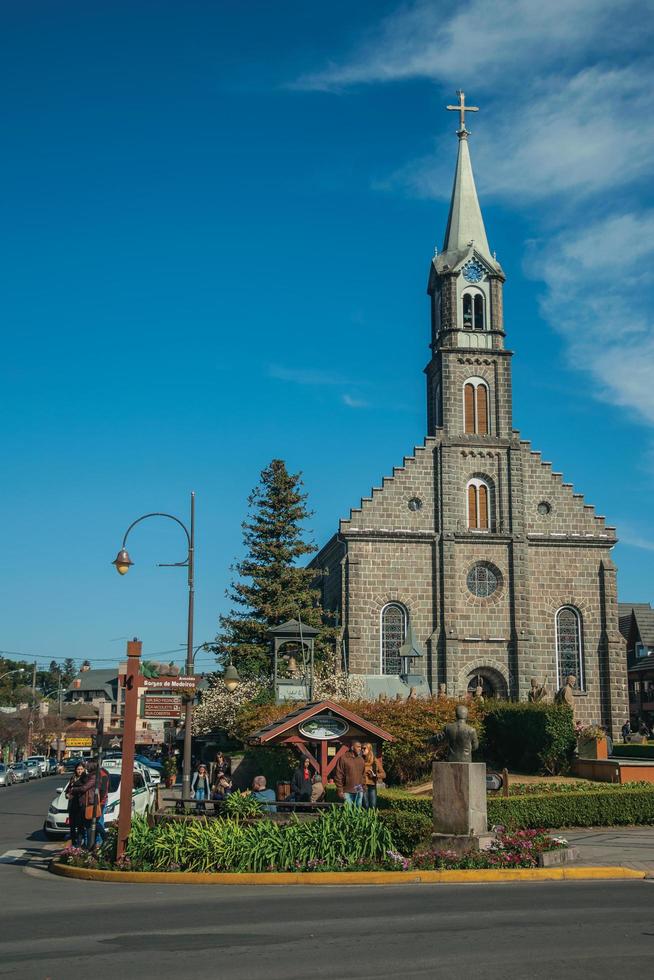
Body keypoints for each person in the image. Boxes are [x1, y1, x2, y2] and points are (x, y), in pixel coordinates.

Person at [65, 762, 93, 847]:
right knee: (72, 826)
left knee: (81, 826)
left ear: (84, 769)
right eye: (78, 769)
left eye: (81, 769)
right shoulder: (73, 778)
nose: (79, 771)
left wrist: (73, 789)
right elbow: (68, 789)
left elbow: (83, 789)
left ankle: (79, 844)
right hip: (72, 804)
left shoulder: (85, 778)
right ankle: (73, 844)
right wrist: (67, 794)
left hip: (81, 804)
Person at [334, 740, 366, 807]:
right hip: (347, 790)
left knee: (358, 812)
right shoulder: (343, 758)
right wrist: (340, 790)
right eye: (358, 747)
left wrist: (363, 788)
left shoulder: (361, 760)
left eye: (360, 747)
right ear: (352, 748)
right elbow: (338, 775)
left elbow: (363, 775)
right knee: (348, 811)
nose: (360, 749)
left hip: (359, 789)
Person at [361, 742, 385, 810]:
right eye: (361, 748)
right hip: (362, 785)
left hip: (372, 786)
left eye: (364, 748)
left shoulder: (375, 761)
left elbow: (384, 774)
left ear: (369, 749)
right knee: (365, 805)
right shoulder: (360, 760)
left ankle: (372, 819)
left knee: (373, 806)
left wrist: (375, 775)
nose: (362, 750)